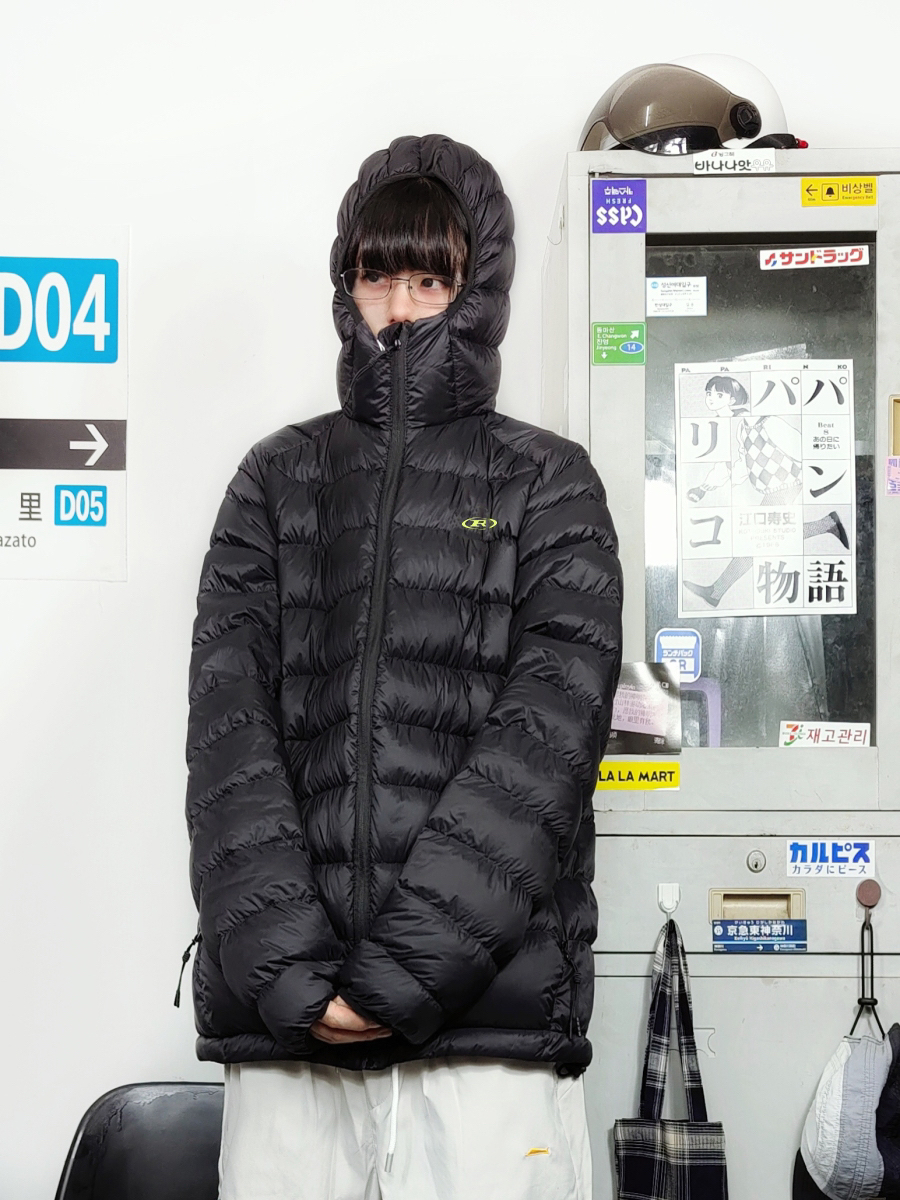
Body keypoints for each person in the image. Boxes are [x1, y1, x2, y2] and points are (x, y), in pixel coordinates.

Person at [182, 133, 623, 1200]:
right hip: (290, 1039)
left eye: (432, 279)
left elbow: (544, 752)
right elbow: (228, 747)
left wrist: (401, 975)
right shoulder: (274, 480)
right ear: (347, 288)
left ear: (480, 292)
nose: (401, 309)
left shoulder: (549, 484)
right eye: (377, 276)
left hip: (487, 1040)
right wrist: (296, 980)